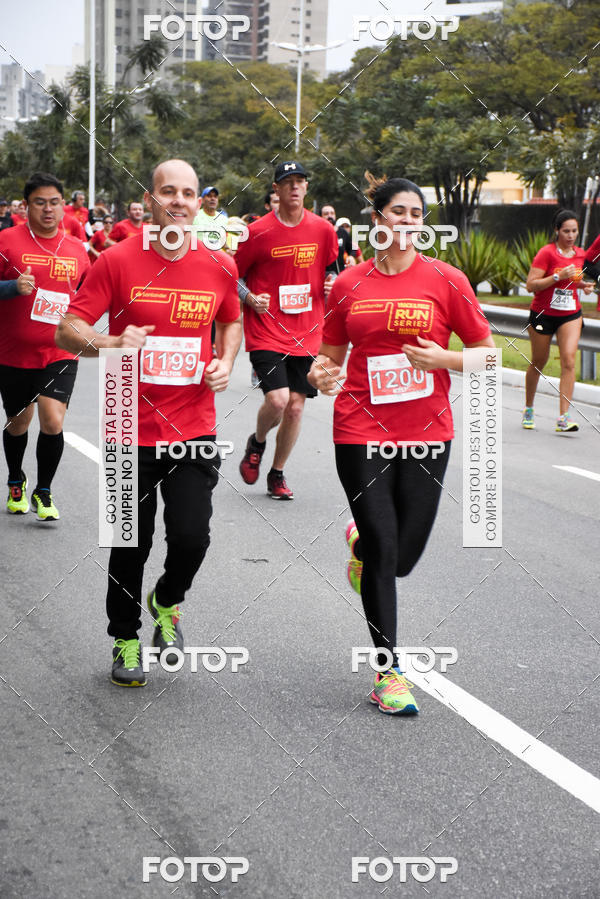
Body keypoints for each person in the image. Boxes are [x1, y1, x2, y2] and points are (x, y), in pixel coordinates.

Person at [308, 175, 494, 715]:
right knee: (386, 549)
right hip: (360, 430)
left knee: (402, 559)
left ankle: (360, 548)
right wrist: (320, 375)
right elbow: (329, 357)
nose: (408, 221)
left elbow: (488, 355)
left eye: (416, 214)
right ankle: (388, 674)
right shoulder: (348, 284)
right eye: (398, 212)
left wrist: (444, 359)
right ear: (378, 219)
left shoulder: (447, 280)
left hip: (427, 432)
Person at [56, 158, 242, 688]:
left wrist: (226, 360)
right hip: (126, 422)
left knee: (192, 537)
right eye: (168, 191)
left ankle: (167, 600)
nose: (179, 201)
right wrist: (112, 342)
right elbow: (67, 330)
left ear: (197, 202)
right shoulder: (117, 261)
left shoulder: (220, 264)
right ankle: (125, 638)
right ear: (150, 199)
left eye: (187, 192)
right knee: (129, 543)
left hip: (194, 425)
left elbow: (231, 321)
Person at [235, 160, 338, 499]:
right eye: (287, 181)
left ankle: (277, 473)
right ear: (276, 189)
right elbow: (232, 276)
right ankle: (257, 442)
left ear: (306, 187)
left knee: (295, 407)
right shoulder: (256, 231)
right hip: (266, 328)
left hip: (307, 330)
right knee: (278, 400)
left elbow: (333, 270)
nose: (294, 186)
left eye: (300, 181)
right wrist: (250, 298)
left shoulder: (323, 230)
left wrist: (331, 283)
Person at [0, 172, 90, 520]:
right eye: (40, 203)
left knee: (52, 420)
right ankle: (15, 479)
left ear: (63, 205)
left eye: (54, 202)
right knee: (19, 422)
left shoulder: (77, 249)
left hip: (60, 351)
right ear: (26, 206)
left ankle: (44, 490)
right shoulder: (7, 240)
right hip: (14, 353)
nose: (48, 209)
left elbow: (89, 296)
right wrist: (12, 288)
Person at [523, 209, 595, 432]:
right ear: (557, 230)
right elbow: (531, 285)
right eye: (566, 231)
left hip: (570, 314)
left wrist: (583, 286)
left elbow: (572, 282)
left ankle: (564, 417)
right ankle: (528, 408)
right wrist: (557, 276)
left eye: (574, 231)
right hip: (543, 314)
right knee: (539, 361)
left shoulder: (580, 254)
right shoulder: (546, 253)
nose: (571, 235)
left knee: (569, 361)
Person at [321, 204, 355, 274]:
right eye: (326, 214)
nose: (330, 216)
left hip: (339, 274)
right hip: (321, 274)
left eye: (332, 213)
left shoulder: (342, 232)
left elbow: (353, 247)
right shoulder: (316, 233)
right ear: (320, 217)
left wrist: (351, 256)